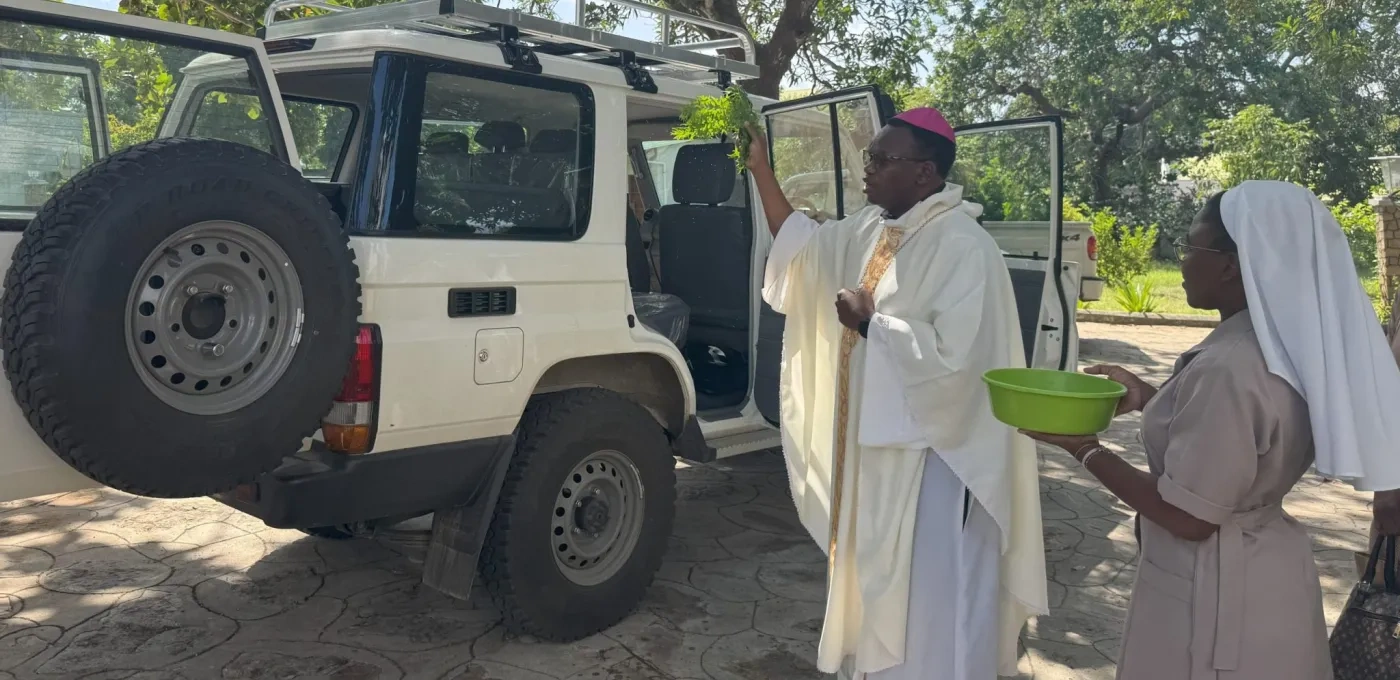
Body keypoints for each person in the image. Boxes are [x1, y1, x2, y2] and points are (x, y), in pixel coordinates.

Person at [1022, 181, 1400, 679]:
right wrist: (1155, 399)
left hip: (1217, 591)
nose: (1181, 261)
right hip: (1268, 573)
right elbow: (1251, 440)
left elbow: (1190, 517)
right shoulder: (1282, 345)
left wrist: (1084, 448)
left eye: (1190, 246)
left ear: (1230, 264)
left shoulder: (1230, 366)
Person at [748, 108, 1047, 680]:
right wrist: (762, 170)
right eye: (870, 157)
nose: (868, 170)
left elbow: (958, 364)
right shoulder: (872, 228)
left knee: (928, 592)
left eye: (882, 160)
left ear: (925, 172)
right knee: (876, 576)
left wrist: (871, 325)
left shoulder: (964, 247)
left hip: (935, 461)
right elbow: (804, 250)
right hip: (872, 449)